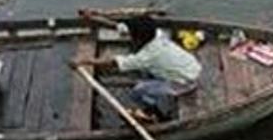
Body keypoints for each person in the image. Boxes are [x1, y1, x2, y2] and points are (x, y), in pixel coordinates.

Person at [72, 12, 201, 122]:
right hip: (191, 66)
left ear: (138, 38)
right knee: (145, 67)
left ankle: (151, 112)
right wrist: (93, 18)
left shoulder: (146, 57)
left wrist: (84, 61)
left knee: (137, 91)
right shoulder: (157, 34)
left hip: (185, 83)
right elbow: (118, 26)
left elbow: (115, 62)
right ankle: (156, 80)